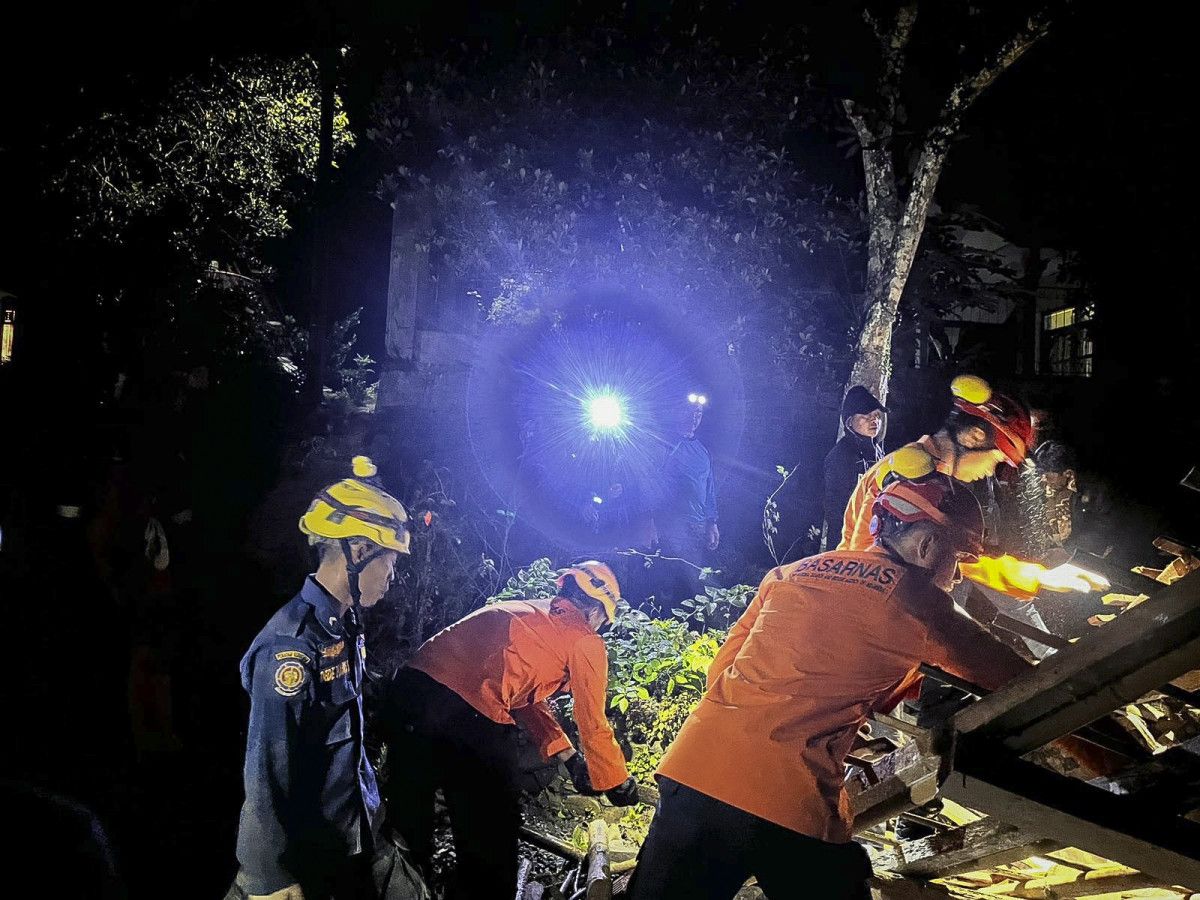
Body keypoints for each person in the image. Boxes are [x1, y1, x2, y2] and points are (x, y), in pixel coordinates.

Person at [628, 475, 1108, 900]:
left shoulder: (790, 573)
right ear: (927, 547)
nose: (958, 575)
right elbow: (1030, 689)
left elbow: (721, 672)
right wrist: (1113, 765)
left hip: (694, 770)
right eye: (958, 558)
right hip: (787, 796)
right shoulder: (920, 603)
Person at [226, 456, 427, 900]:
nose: (392, 577)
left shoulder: (342, 624)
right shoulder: (291, 647)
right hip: (317, 850)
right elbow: (267, 767)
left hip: (359, 829)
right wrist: (269, 876)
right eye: (390, 562)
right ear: (358, 551)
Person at [382, 561, 639, 900]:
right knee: (492, 837)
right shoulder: (584, 638)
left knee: (408, 823)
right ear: (597, 611)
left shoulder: (530, 614)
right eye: (603, 622)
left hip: (409, 693)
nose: (600, 629)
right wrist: (615, 780)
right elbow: (592, 719)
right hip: (468, 715)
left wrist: (568, 756)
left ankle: (405, 888)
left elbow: (523, 699)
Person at [652, 394, 719, 601]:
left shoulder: (702, 451)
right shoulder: (665, 444)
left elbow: (709, 488)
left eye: (698, 413)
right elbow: (650, 484)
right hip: (671, 524)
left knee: (692, 579)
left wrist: (712, 523)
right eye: (689, 412)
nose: (694, 417)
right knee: (666, 580)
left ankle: (688, 619)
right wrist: (649, 521)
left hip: (696, 526)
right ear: (677, 412)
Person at [823, 386, 887, 542]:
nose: (874, 420)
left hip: (871, 535)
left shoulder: (878, 453)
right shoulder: (841, 455)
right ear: (850, 421)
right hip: (848, 540)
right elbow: (835, 509)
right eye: (866, 415)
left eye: (876, 415)